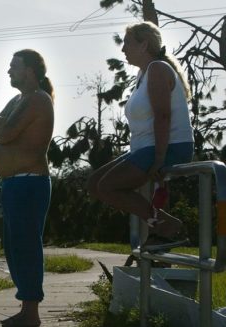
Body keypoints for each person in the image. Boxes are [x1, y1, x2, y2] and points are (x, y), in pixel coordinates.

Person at [87, 21, 194, 251]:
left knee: (108, 186)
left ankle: (165, 226)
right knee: (95, 184)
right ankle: (163, 224)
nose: (123, 49)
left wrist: (159, 157)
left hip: (169, 146)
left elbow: (162, 116)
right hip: (145, 147)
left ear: (144, 44)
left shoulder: (158, 69)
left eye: (127, 43)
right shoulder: (143, 74)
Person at [0, 49, 54, 327]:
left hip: (29, 183)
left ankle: (31, 312)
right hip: (14, 184)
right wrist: (2, 129)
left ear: (30, 70)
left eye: (14, 66)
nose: (9, 71)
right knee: (13, 248)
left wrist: (3, 131)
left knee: (26, 246)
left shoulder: (37, 99)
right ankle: (26, 307)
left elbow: (4, 133)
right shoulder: (18, 100)